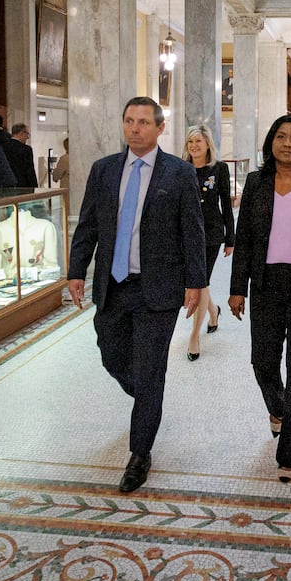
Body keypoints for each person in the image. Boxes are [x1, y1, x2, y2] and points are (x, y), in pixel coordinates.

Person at [67, 97, 207, 493]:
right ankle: (146, 393)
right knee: (111, 354)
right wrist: (77, 270)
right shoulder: (104, 170)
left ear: (160, 128)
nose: (135, 128)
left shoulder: (179, 174)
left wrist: (196, 282)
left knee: (149, 369)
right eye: (129, 120)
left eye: (144, 122)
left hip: (157, 290)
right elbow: (89, 225)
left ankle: (139, 453)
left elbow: (192, 231)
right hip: (112, 286)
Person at [229, 115, 291, 483]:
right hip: (267, 285)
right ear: (271, 142)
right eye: (281, 137)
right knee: (263, 363)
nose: (287, 143)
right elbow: (246, 241)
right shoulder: (256, 183)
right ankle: (278, 407)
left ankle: (290, 453)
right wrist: (237, 287)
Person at [183, 125, 235, 360]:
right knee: (198, 281)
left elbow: (226, 204)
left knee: (201, 280)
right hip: (186, 234)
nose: (194, 146)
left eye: (199, 142)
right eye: (190, 142)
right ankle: (213, 312)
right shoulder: (181, 169)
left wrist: (231, 238)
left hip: (211, 234)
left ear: (207, 145)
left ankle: (194, 336)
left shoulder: (219, 169)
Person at [3, 123, 39, 189]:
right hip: (23, 186)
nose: (28, 137)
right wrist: (34, 187)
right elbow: (29, 171)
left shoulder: (2, 147)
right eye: (27, 134)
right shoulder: (26, 149)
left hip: (6, 186)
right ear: (21, 133)